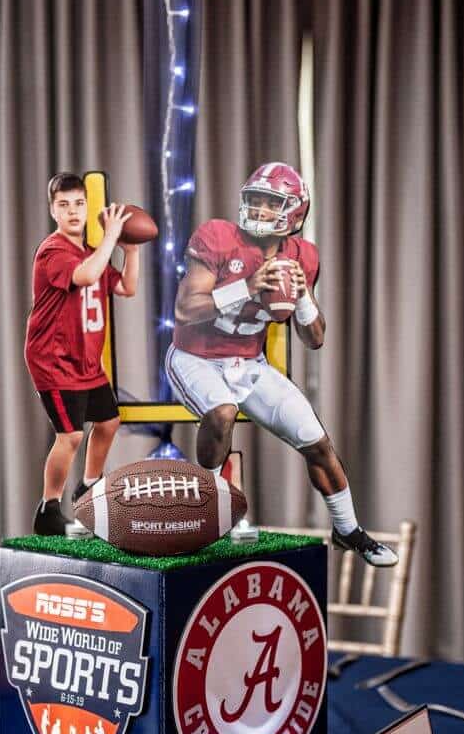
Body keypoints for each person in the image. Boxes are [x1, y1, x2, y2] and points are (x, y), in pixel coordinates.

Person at [165, 162, 397, 566]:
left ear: (294, 211)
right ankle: (208, 512)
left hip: (247, 362)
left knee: (315, 439)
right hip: (195, 358)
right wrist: (247, 287)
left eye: (270, 202)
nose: (259, 208)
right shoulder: (218, 236)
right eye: (254, 199)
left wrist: (303, 298)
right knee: (222, 412)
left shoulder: (303, 256)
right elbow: (185, 309)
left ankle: (348, 530)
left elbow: (315, 338)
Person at [25, 172, 141, 535]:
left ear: (87, 207)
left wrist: (131, 250)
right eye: (64, 205)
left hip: (87, 362)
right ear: (53, 211)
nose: (73, 211)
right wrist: (111, 237)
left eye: (78, 203)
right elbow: (87, 276)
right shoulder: (53, 251)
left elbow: (126, 287)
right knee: (71, 436)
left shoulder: (93, 252)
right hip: (54, 360)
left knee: (108, 422)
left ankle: (89, 486)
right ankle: (48, 508)